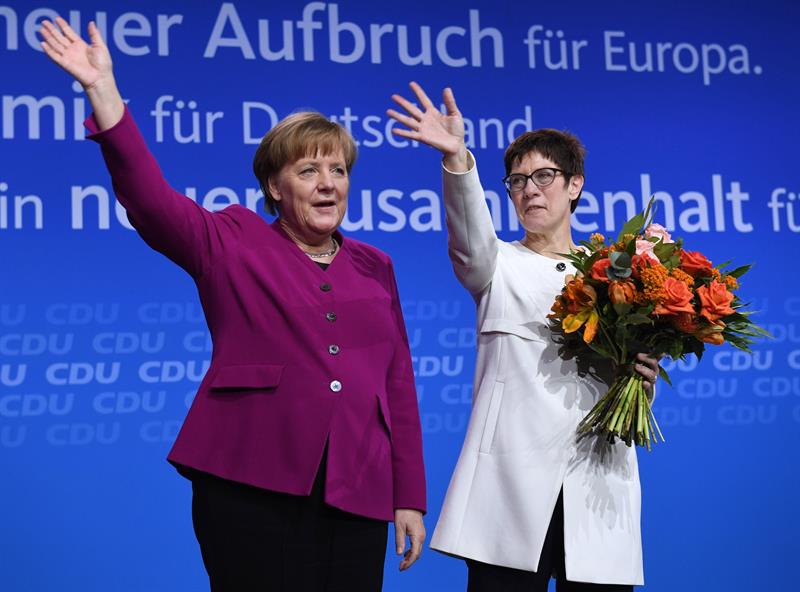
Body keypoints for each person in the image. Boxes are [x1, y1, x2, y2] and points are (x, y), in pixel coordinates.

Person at [39, 18, 426, 592]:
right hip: (250, 479)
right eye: (308, 170)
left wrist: (408, 496)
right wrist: (104, 93)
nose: (328, 183)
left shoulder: (376, 266)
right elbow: (150, 202)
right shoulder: (233, 239)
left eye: (338, 170)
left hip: (358, 487)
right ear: (275, 186)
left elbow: (397, 384)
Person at [387, 82, 661, 591]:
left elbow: (629, 377)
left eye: (544, 176)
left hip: (595, 481)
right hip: (510, 488)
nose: (530, 189)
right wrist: (457, 160)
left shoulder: (615, 274)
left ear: (575, 185)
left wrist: (642, 383)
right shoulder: (496, 265)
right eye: (517, 181)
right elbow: (468, 234)